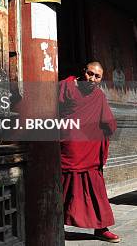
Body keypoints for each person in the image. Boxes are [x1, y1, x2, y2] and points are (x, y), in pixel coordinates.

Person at [59, 61, 119, 243]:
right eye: (90, 74)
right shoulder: (65, 86)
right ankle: (56, 226)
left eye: (97, 76)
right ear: (83, 71)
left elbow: (108, 121)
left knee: (95, 189)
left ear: (101, 80)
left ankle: (101, 228)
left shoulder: (98, 96)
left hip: (89, 150)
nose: (92, 79)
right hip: (68, 147)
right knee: (62, 188)